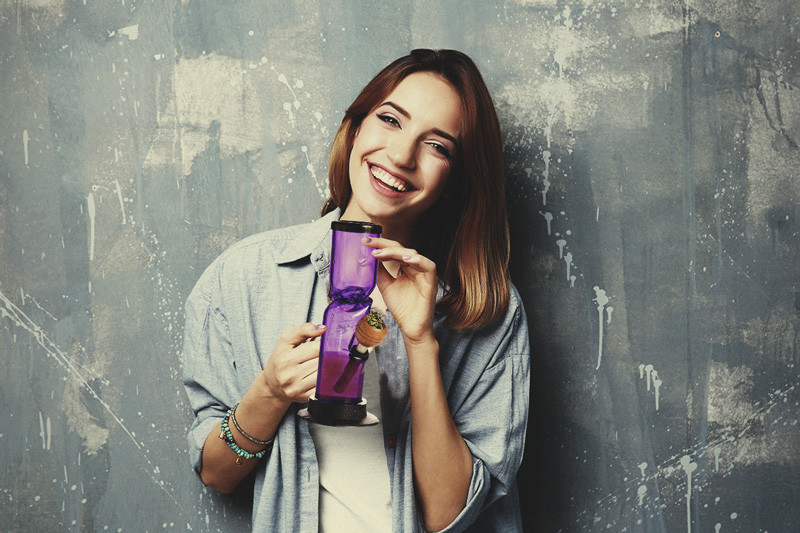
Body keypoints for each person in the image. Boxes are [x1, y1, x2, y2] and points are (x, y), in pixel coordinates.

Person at [182, 49, 530, 532]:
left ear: (455, 180)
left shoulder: (487, 309)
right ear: (356, 128)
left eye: (437, 146)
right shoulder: (243, 278)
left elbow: (449, 514)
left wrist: (421, 341)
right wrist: (271, 392)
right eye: (390, 120)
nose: (401, 156)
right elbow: (217, 475)